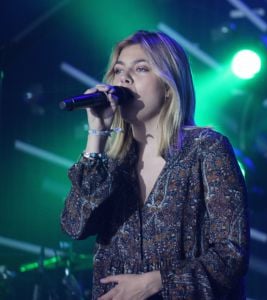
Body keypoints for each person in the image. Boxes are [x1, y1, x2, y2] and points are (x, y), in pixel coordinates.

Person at [60, 30, 250, 300]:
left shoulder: (206, 148)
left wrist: (157, 282)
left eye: (141, 68)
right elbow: (74, 226)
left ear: (169, 87)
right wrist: (96, 136)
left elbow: (232, 254)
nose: (124, 78)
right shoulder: (112, 164)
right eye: (118, 70)